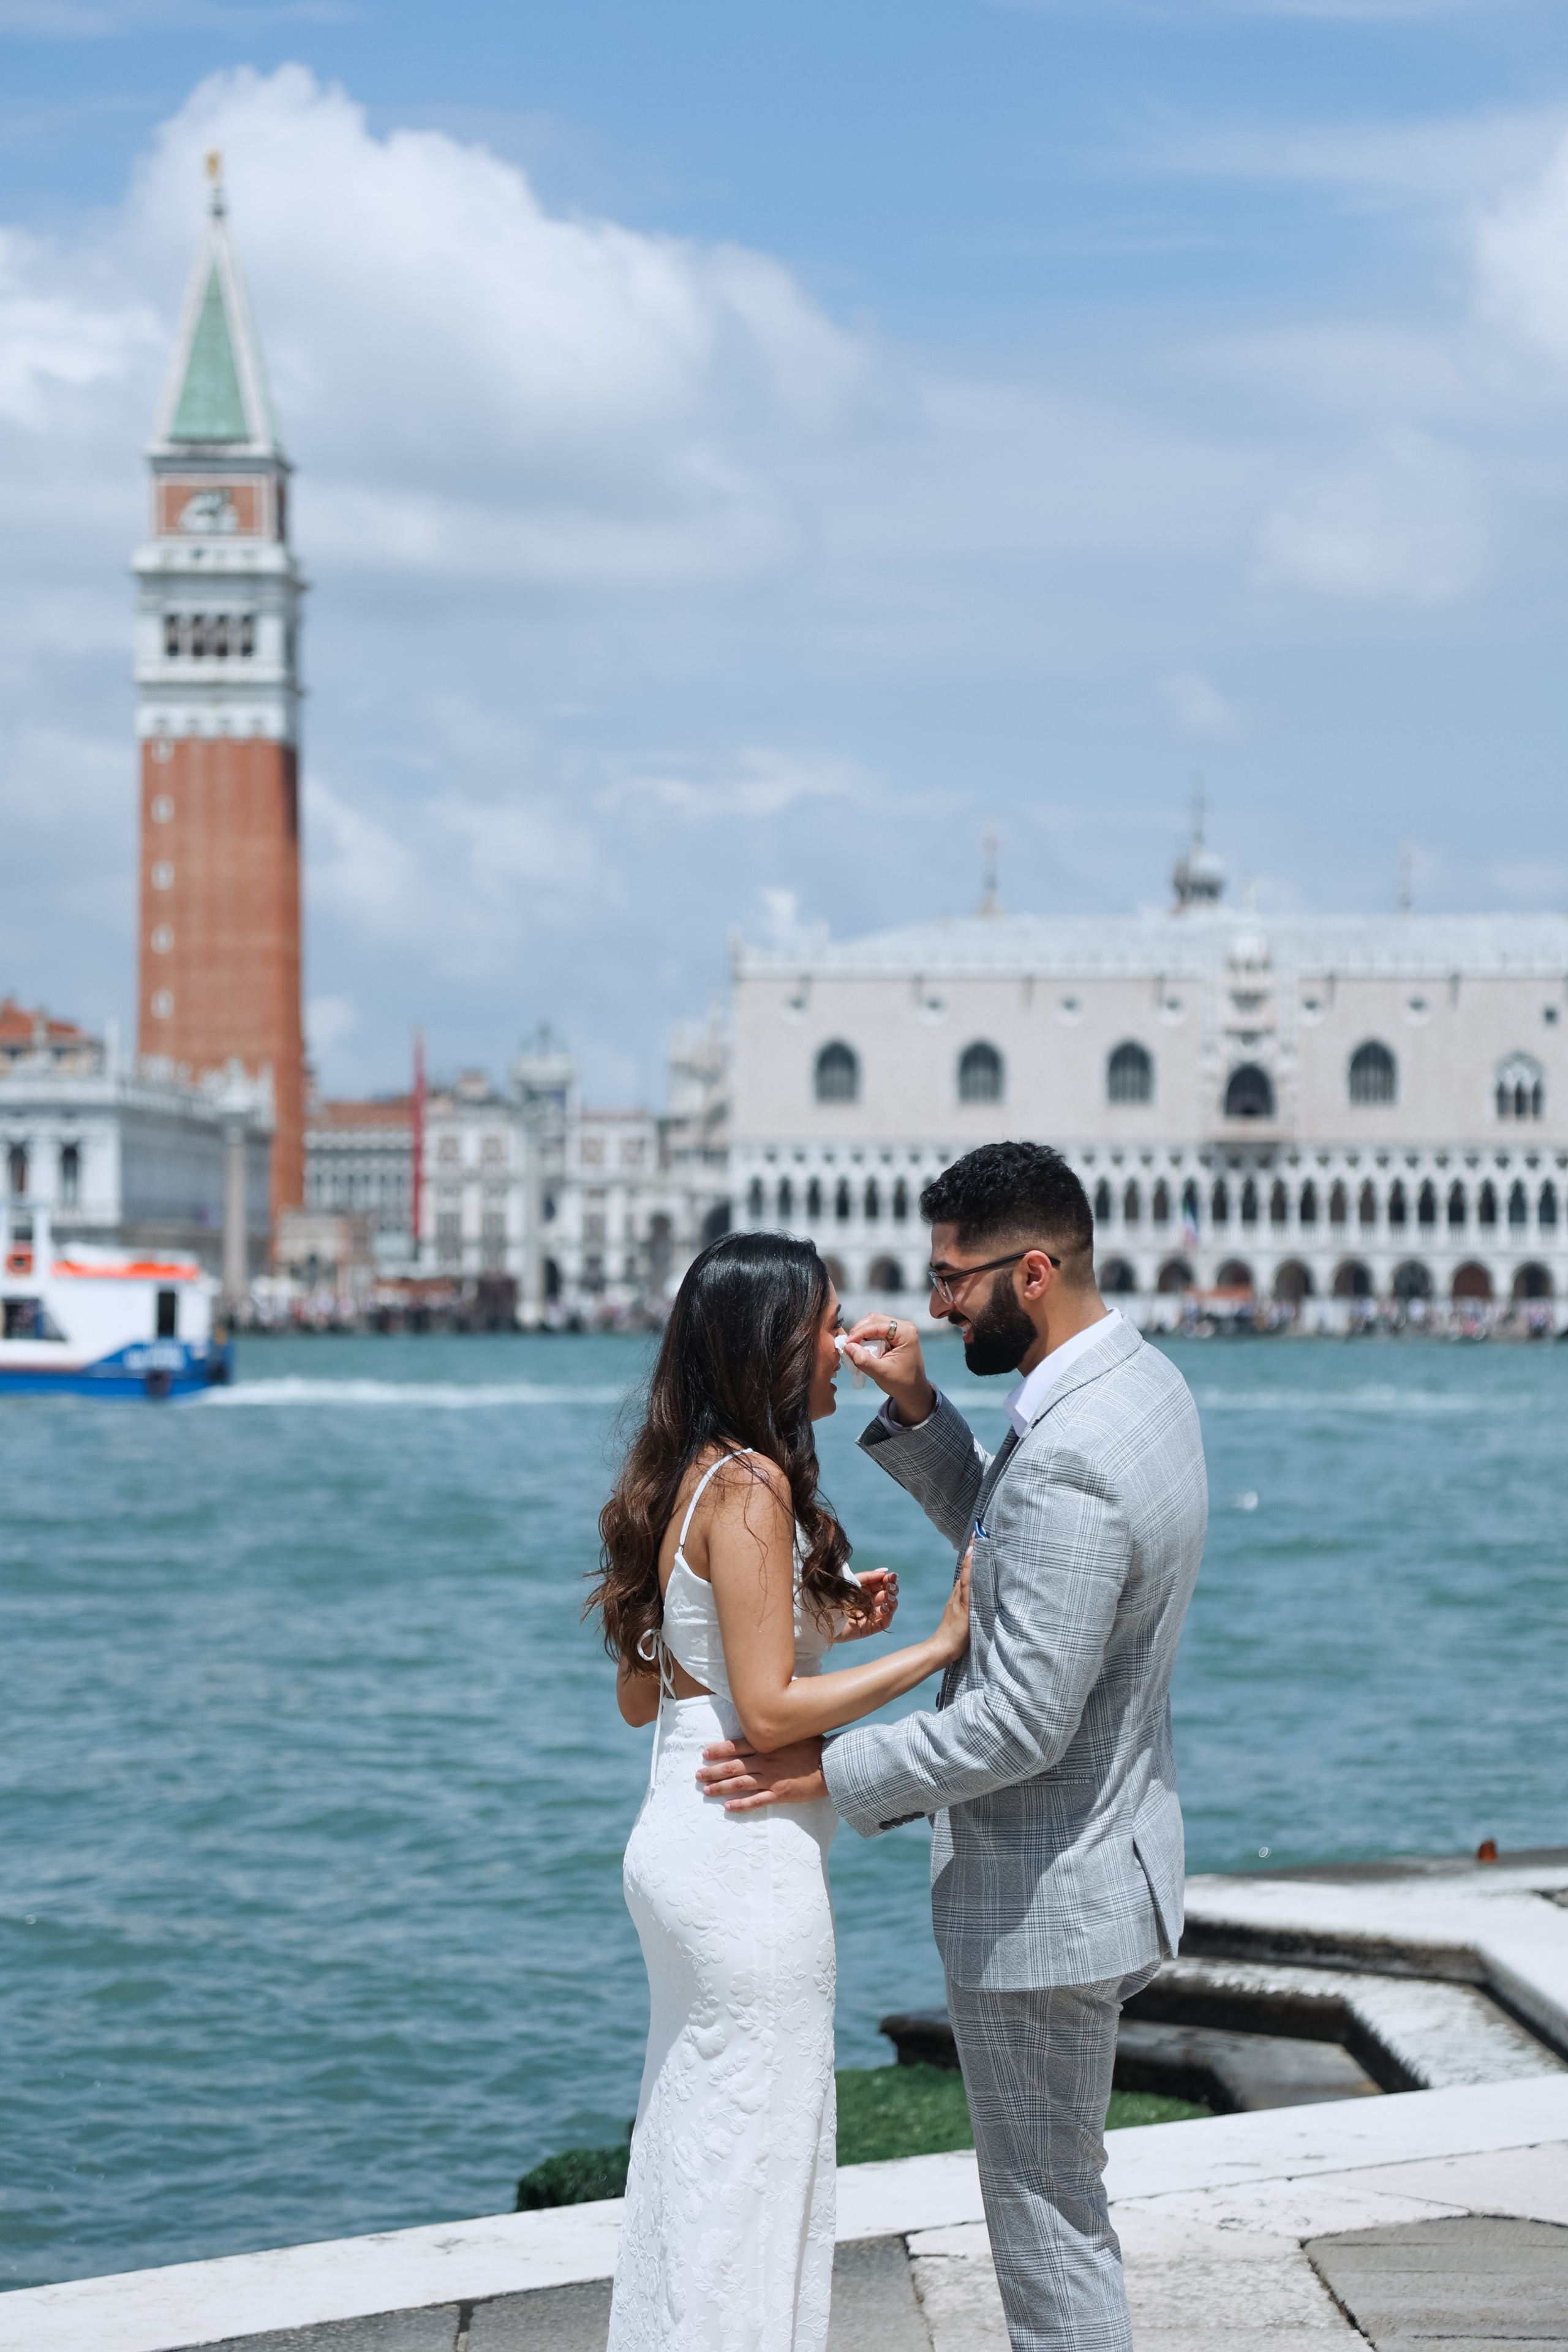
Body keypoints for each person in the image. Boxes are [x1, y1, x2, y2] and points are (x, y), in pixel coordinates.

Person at [698, 1143, 1208, 2352]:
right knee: (1060, 2201)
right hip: (1104, 1862)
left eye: (951, 1279)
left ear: (1030, 1273)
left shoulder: (1073, 1450)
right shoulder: (1138, 1389)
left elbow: (1023, 1718)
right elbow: (1016, 1540)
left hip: (1044, 1898)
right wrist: (922, 1414)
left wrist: (823, 1774)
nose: (931, 1303)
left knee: (1044, 2220)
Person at [590, 1229, 971, 2352]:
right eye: (825, 1326)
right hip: (745, 1861)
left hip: (681, 1838)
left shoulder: (688, 1476)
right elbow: (764, 1718)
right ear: (773, 1341)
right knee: (755, 2170)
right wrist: (937, 1646)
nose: (841, 1349)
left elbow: (647, 1692)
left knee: (694, 2150)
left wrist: (821, 1624)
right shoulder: (753, 1486)